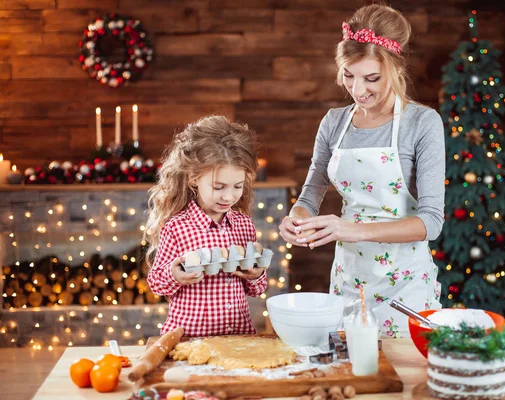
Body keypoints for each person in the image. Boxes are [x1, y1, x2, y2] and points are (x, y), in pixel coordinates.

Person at [279, 4, 444, 338]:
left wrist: (352, 229)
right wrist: (296, 218)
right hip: (349, 279)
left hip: (406, 284)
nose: (358, 90)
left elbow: (431, 222)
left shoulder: (422, 123)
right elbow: (311, 192)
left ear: (395, 68)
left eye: (371, 78)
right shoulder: (334, 122)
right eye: (348, 76)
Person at [146, 116, 267, 337]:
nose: (229, 196)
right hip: (189, 340)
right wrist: (175, 275)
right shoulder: (178, 227)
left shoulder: (243, 225)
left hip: (236, 338)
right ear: (194, 179)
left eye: (237, 186)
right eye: (218, 187)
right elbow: (156, 284)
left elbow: (256, 290)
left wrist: (256, 275)